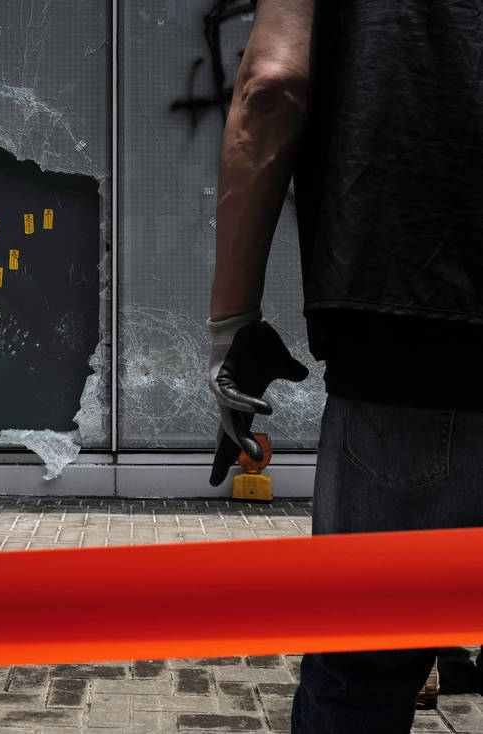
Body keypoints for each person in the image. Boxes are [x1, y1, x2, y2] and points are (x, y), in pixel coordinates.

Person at [205, 0, 483, 731]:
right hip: (404, 342)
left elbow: (271, 84)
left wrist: (232, 325)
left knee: (362, 674)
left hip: (405, 341)